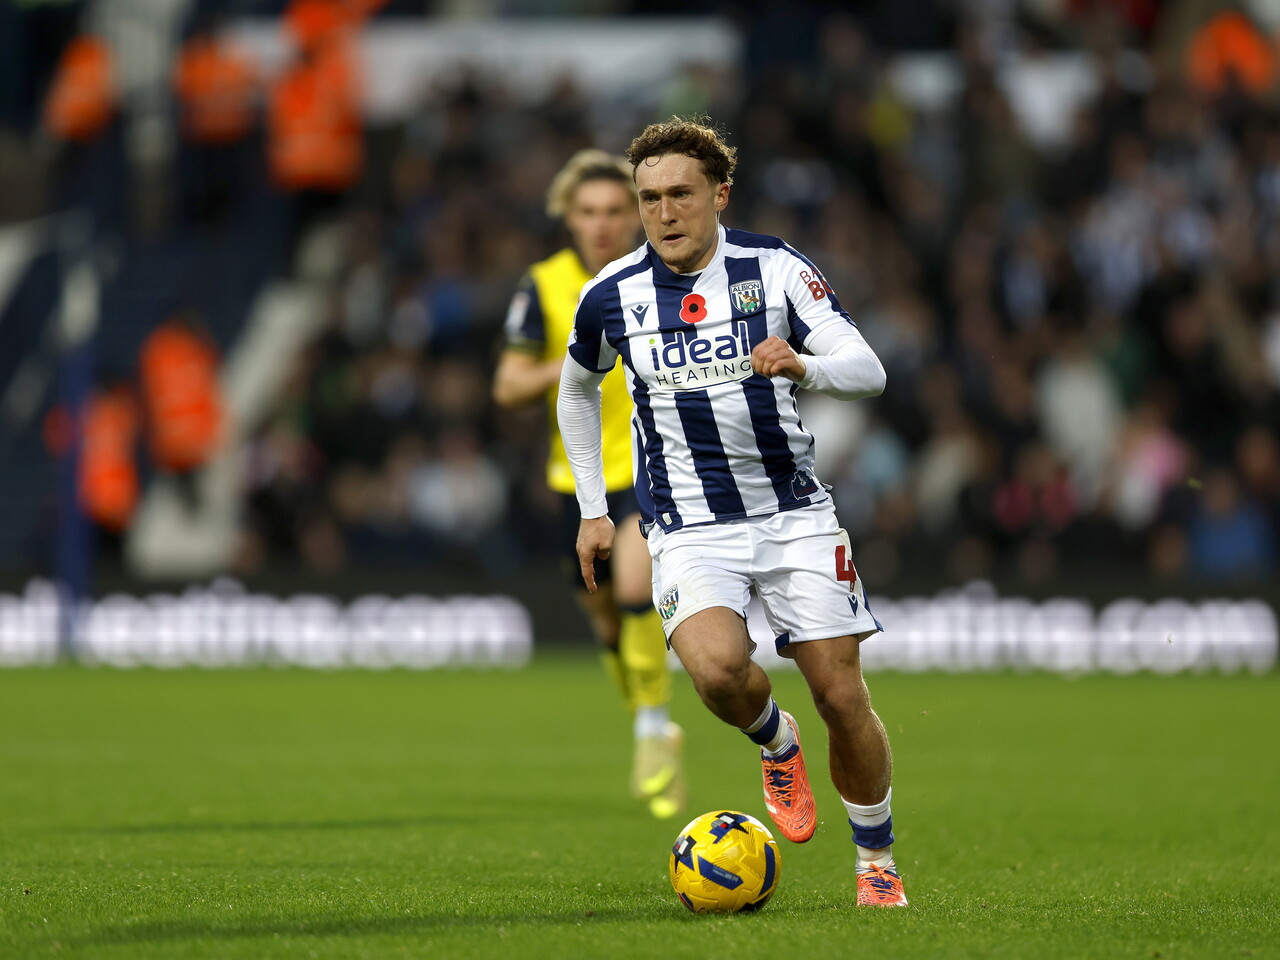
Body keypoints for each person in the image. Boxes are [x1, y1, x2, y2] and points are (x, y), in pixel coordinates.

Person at [557, 118, 907, 907]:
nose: (664, 213)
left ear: (719, 194)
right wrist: (592, 510)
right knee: (717, 672)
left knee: (842, 697)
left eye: (680, 193)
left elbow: (868, 369)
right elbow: (576, 390)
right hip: (688, 526)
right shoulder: (611, 294)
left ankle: (876, 860)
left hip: (793, 516)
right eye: (649, 198)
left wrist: (804, 363)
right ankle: (775, 742)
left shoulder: (774, 268)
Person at [493, 149, 685, 818]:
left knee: (635, 585)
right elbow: (508, 385)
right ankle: (654, 722)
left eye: (614, 211)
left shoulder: (661, 276)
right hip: (575, 481)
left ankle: (651, 730)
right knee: (606, 623)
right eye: (588, 212)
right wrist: (579, 358)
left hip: (649, 467)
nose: (603, 225)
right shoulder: (545, 285)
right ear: (568, 218)